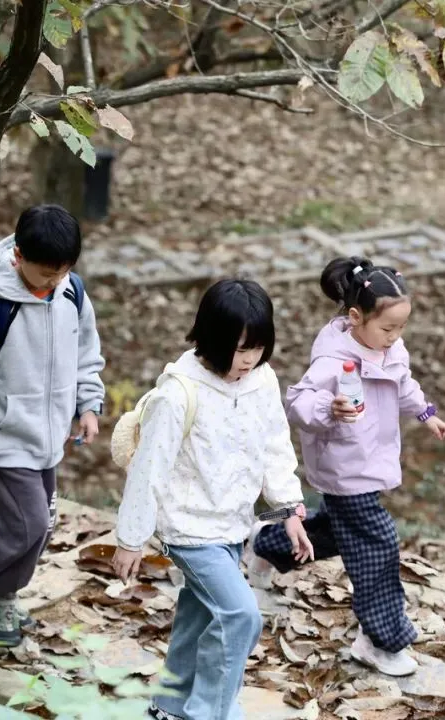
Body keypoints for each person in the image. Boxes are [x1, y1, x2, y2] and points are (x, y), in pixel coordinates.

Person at [110, 279, 315, 720]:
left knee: (200, 615)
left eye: (257, 348)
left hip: (230, 521)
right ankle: (208, 713)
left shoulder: (261, 380)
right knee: (240, 615)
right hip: (187, 527)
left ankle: (167, 705)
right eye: (240, 350)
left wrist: (289, 512)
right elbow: (150, 466)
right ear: (212, 339)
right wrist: (131, 536)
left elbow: (275, 445)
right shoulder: (179, 391)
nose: (248, 360)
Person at [247, 258, 445, 677]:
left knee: (339, 534)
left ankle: (266, 542)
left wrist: (426, 412)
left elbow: (403, 381)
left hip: (371, 459)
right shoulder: (333, 360)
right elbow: (299, 402)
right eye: (387, 328)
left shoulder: (389, 348)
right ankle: (379, 639)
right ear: (355, 318)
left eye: (400, 328)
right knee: (377, 542)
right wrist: (331, 407)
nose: (395, 338)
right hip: (342, 465)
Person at [0, 205, 105, 646]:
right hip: (0, 437)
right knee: (28, 527)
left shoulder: (71, 294)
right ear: (18, 256)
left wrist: (88, 404)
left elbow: (86, 355)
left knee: (37, 524)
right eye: (46, 272)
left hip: (47, 441)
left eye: (62, 272)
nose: (53, 281)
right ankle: (0, 593)